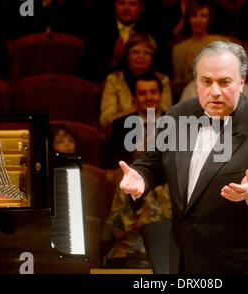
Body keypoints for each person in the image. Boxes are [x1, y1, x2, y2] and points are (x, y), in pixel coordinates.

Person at [117, 41, 248, 274]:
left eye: (224, 82)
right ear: (196, 82)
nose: (215, 91)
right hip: (186, 257)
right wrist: (142, 176)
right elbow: (156, 159)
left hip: (244, 264)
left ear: (241, 83)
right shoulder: (178, 115)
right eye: (206, 81)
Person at [103, 72, 171, 273]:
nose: (149, 97)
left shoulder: (176, 123)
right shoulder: (121, 124)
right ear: (134, 98)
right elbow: (115, 163)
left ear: (161, 94)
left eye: (153, 92)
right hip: (130, 182)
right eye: (142, 93)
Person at [99, 32, 172, 132]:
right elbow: (105, 120)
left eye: (147, 53)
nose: (141, 56)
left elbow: (165, 114)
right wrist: (137, 109)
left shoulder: (163, 80)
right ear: (127, 56)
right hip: (122, 131)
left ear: (152, 57)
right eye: (135, 52)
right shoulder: (114, 79)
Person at [171, 0, 231, 97]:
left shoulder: (223, 43)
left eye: (203, 16)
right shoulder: (179, 49)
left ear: (209, 19)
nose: (198, 20)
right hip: (193, 94)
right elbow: (177, 86)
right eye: (194, 16)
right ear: (189, 19)